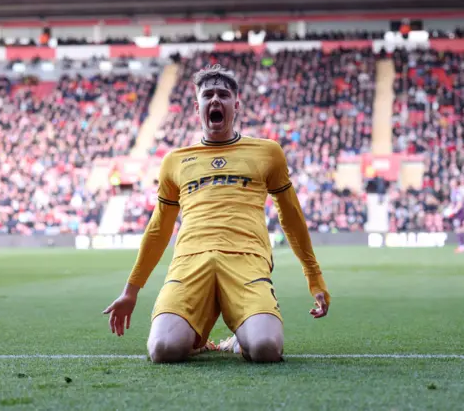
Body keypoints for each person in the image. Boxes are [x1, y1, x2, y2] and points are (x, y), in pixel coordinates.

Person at [103, 64, 330, 363]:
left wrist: (314, 278)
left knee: (265, 349)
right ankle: (199, 337)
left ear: (236, 104)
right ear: (197, 106)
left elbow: (291, 216)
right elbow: (159, 228)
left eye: (223, 95)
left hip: (246, 262)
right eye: (207, 95)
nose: (215, 100)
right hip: (189, 263)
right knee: (162, 350)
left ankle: (241, 336)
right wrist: (131, 291)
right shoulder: (175, 161)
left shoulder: (267, 152)